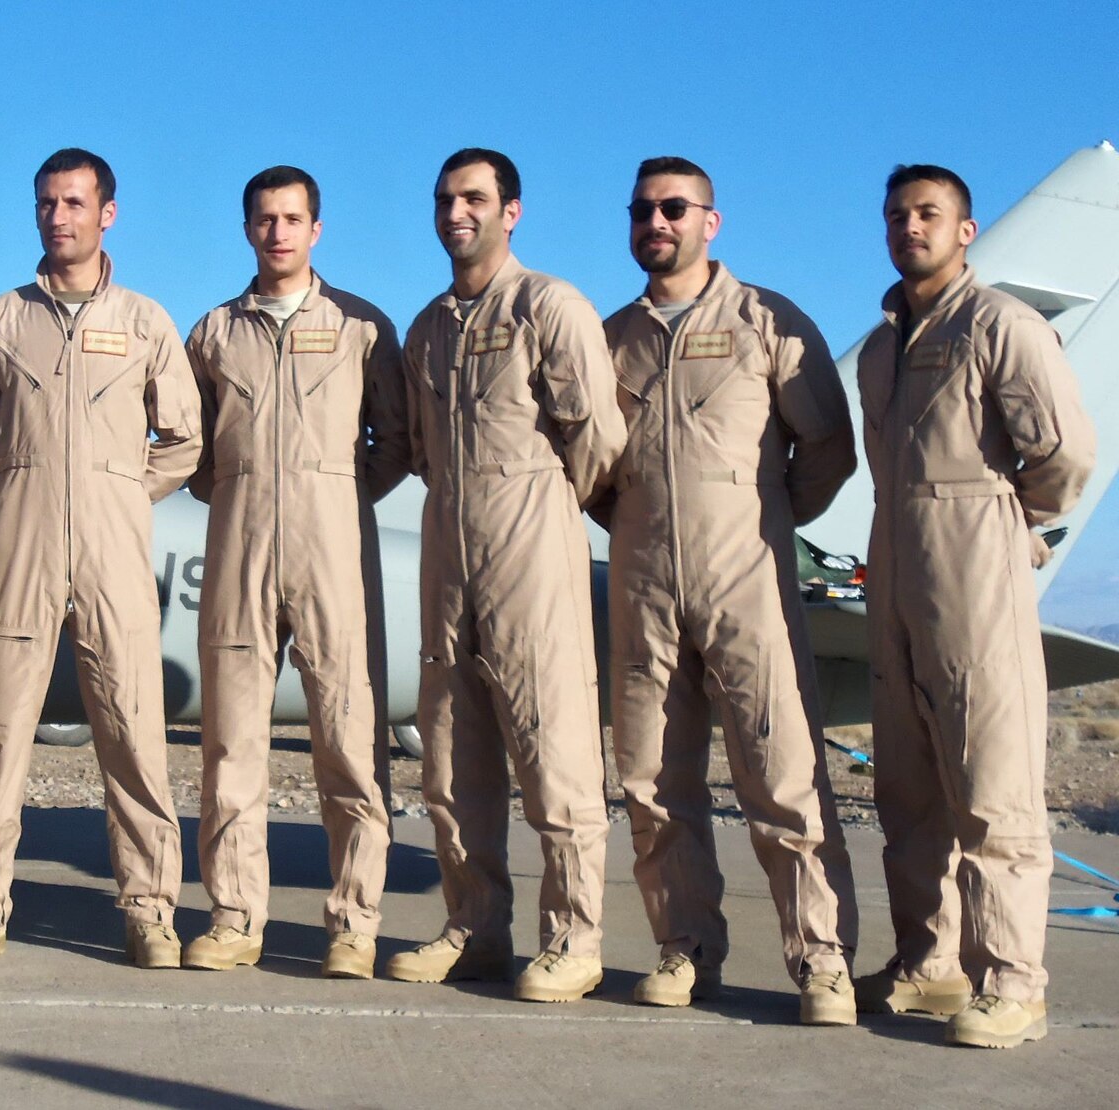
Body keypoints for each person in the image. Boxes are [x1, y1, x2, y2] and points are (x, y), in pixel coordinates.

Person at [598, 157, 860, 1024]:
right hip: (643, 580)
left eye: (675, 208)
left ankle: (822, 961)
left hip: (746, 579)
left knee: (781, 773)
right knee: (651, 778)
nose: (656, 222)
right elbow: (593, 465)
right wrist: (639, 521)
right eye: (643, 209)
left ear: (711, 222)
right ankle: (685, 948)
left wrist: (762, 517)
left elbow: (827, 450)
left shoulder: (766, 321)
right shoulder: (612, 338)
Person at [0, 148, 203, 967]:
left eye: (74, 203)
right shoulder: (0, 319)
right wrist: (18, 478)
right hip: (18, 544)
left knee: (133, 730)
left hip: (112, 550)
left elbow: (184, 438)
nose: (59, 217)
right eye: (47, 203)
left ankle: (150, 912)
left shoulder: (146, 322)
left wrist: (117, 490)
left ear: (107, 214)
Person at [856, 164, 1095, 1048]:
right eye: (896, 215)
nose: (909, 227)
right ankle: (931, 967)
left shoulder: (1001, 325)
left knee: (993, 789)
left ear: (965, 230)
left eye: (928, 214)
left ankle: (1014, 985)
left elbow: (1064, 456)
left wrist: (999, 524)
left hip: (976, 575)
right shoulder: (880, 348)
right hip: (894, 573)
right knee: (910, 792)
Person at [390, 148, 625, 1001]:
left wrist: (539, 508)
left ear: (511, 211)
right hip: (449, 551)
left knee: (552, 747)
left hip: (531, 549)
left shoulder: (549, 307)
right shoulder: (427, 329)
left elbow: (598, 439)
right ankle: (474, 929)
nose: (457, 212)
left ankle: (573, 941)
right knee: (452, 758)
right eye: (444, 199)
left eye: (475, 198)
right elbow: (421, 450)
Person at [181, 166, 407, 979]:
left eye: (291, 219)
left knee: (348, 742)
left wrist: (332, 496)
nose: (277, 232)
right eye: (264, 219)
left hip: (332, 556)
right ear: (247, 229)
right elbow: (193, 446)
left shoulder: (360, 326)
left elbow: (395, 441)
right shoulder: (213, 333)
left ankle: (354, 925)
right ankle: (235, 918)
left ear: (317, 229)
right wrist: (240, 493)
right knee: (231, 746)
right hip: (238, 553)